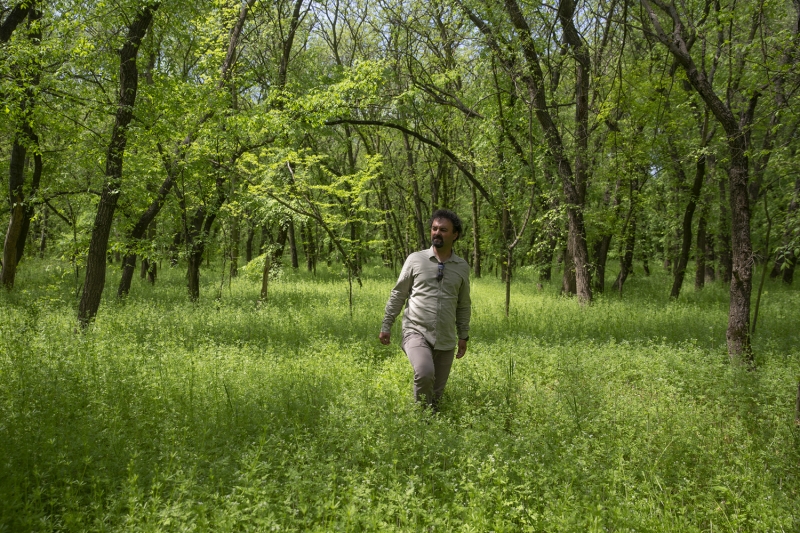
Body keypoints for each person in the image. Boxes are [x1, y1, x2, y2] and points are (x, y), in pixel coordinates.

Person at [379, 209, 471, 410]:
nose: (437, 233)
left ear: (455, 235)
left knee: (436, 396)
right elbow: (398, 294)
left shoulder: (461, 266)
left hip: (446, 337)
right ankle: (420, 421)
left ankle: (430, 426)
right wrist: (387, 324)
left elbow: (463, 303)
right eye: (434, 228)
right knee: (424, 372)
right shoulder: (416, 259)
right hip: (416, 330)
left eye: (443, 230)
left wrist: (464, 335)